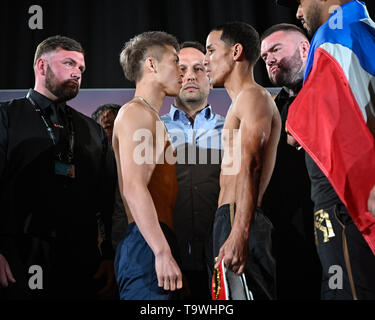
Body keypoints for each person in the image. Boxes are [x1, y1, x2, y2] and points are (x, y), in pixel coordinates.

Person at [0, 35, 116, 299]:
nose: (77, 73)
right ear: (42, 67)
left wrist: (109, 254)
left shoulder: (94, 130)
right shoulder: (6, 116)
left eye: (81, 69)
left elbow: (107, 198)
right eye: (69, 64)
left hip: (82, 261)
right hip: (18, 257)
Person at [277, 0, 375, 299]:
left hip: (348, 203)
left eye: (300, 2)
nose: (298, 13)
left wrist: (294, 121)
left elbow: (318, 123)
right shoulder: (364, 30)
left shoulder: (333, 35)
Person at [204, 21, 281, 300]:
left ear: (236, 52)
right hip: (229, 218)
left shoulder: (253, 96)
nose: (205, 60)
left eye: (211, 50)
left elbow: (252, 165)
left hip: (240, 218)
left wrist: (240, 232)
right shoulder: (240, 102)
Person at [113, 31, 183, 300]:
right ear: (151, 64)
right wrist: (161, 252)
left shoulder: (150, 117)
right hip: (146, 244)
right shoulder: (135, 113)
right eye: (175, 61)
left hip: (155, 240)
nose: (182, 71)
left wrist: (167, 249)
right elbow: (133, 187)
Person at [260, 23, 322, 300]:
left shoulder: (334, 92)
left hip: (334, 225)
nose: (269, 59)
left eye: (275, 49)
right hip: (286, 240)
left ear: (304, 48)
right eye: (264, 57)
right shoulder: (271, 109)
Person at [161, 41, 225, 300]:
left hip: (221, 258)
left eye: (199, 68)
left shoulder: (232, 127)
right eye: (182, 68)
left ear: (211, 76)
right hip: (166, 262)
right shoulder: (152, 128)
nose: (189, 75)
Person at [92, 104, 128, 251]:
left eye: (120, 126)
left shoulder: (139, 163)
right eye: (109, 126)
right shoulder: (91, 165)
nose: (116, 132)